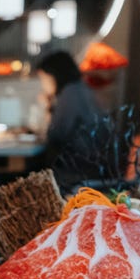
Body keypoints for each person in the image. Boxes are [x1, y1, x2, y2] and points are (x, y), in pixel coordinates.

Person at [35, 50, 106, 193]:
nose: (44, 85)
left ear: (54, 76)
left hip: (78, 174)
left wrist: (48, 106)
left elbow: (55, 135)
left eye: (44, 79)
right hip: (95, 169)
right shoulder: (81, 89)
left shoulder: (70, 94)